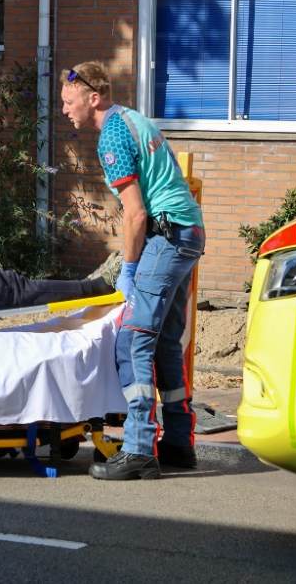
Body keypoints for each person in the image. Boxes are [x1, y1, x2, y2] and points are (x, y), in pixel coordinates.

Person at [59, 62, 205, 481]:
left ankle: (140, 448)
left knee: (133, 339)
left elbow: (136, 214)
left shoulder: (113, 135)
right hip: (188, 233)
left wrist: (130, 268)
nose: (66, 111)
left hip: (165, 235)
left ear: (94, 98)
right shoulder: (133, 118)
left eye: (70, 103)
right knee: (164, 344)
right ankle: (178, 441)